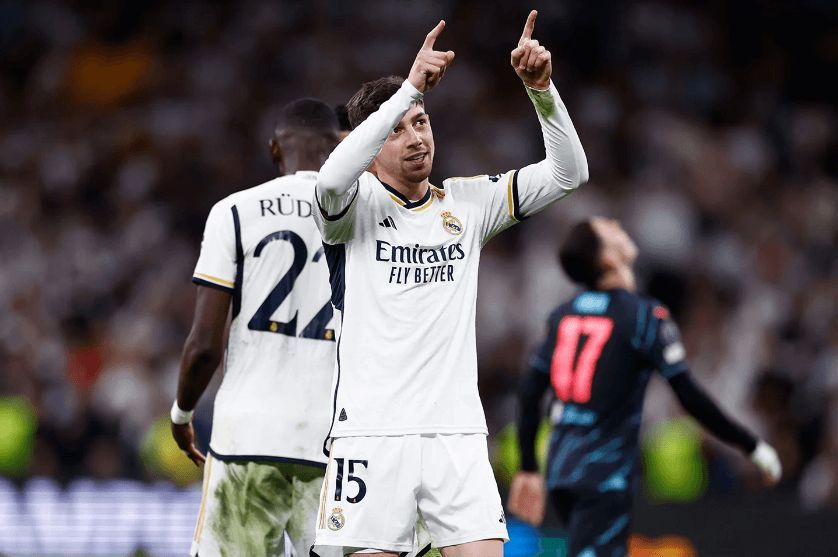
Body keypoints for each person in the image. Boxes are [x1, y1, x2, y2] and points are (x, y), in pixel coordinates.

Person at [311, 10, 588, 557]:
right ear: (371, 146)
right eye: (397, 129)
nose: (416, 137)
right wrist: (409, 87)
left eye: (422, 122)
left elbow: (568, 174)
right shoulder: (351, 209)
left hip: (456, 436)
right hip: (372, 435)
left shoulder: (468, 202)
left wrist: (543, 91)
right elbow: (331, 176)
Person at [508, 217, 782, 557]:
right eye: (609, 231)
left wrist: (529, 467)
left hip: (563, 467)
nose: (618, 226)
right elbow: (689, 396)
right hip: (603, 469)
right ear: (607, 260)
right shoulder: (642, 317)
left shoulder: (563, 315)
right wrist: (750, 445)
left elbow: (530, 392)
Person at [171, 98, 343, 557]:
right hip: (335, 446)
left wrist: (182, 415)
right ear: (340, 146)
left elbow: (205, 345)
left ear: (274, 149)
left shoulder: (234, 212)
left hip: (247, 438)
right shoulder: (362, 215)